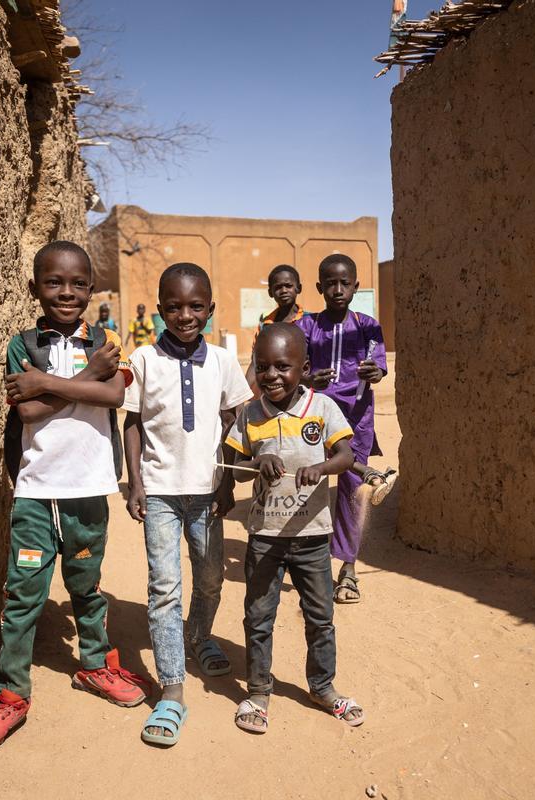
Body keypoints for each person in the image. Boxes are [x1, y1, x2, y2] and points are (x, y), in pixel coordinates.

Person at [0, 241, 146, 751]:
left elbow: (115, 396)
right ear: (34, 288)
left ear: (91, 289)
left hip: (89, 490)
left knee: (87, 585)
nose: (66, 293)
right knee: (24, 594)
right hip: (36, 492)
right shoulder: (23, 344)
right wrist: (84, 377)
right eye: (53, 283)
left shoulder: (107, 339)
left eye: (77, 284)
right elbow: (27, 413)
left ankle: (93, 665)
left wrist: (49, 384)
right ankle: (10, 696)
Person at [122, 263, 254, 747]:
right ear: (160, 310)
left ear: (210, 309)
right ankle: (172, 689)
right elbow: (131, 424)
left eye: (195, 306)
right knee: (163, 588)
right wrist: (135, 482)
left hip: (207, 491)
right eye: (174, 307)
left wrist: (229, 479)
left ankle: (198, 634)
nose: (184, 315)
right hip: (158, 491)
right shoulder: (142, 360)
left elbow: (236, 421)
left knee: (212, 575)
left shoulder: (222, 361)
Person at [223, 323, 365, 733]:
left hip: (312, 538)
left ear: (304, 368)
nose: (271, 376)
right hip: (266, 537)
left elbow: (345, 455)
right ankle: (258, 692)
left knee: (320, 617)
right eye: (263, 367)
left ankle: (322, 686)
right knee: (259, 616)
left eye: (282, 367)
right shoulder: (250, 414)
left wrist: (320, 468)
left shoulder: (321, 409)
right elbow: (237, 470)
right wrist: (257, 464)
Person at [296, 254, 390, 605]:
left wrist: (374, 373)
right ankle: (306, 564)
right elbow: (294, 370)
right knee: (308, 484)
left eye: (344, 283)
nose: (337, 290)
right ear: (320, 287)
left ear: (355, 286)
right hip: (315, 418)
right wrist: (307, 378)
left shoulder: (367, 325)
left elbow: (380, 366)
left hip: (357, 418)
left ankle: (347, 567)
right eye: (330, 284)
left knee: (350, 494)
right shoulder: (306, 327)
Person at [245, 264, 309, 395]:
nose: (284, 290)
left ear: (299, 288)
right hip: (275, 390)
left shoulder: (310, 321)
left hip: (304, 391)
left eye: (288, 286)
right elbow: (255, 361)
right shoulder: (265, 324)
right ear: (270, 292)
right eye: (278, 287)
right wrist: (243, 393)